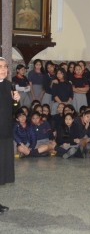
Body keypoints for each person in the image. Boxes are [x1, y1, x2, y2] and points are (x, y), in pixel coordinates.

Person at [0, 57, 20, 214]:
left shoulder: (8, 86)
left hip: (5, 133)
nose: (3, 69)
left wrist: (16, 101)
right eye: (0, 66)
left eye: (5, 66)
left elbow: (14, 110)